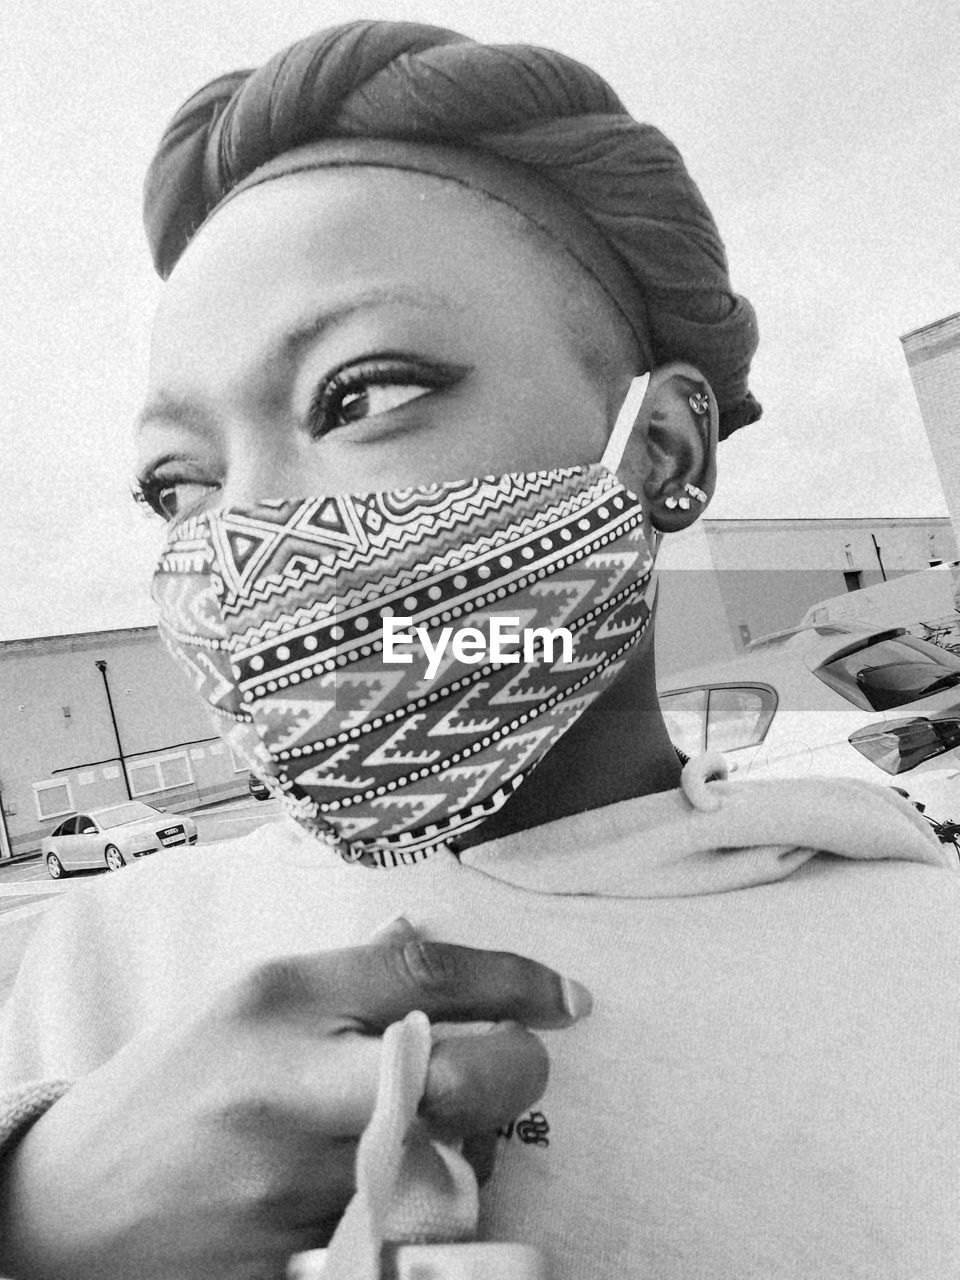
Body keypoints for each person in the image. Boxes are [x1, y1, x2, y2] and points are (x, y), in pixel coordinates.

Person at [2, 19, 960, 1280]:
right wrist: (34, 1214)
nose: (244, 541)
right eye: (178, 481)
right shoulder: (101, 972)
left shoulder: (923, 972)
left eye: (364, 393)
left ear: (664, 448)